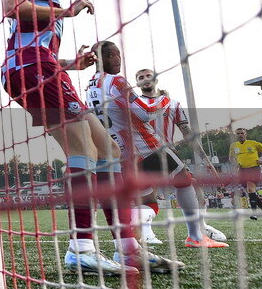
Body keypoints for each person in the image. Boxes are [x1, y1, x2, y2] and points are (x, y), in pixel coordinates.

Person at [2, 0, 174, 274]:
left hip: (45, 68)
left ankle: (128, 247)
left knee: (108, 150)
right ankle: (80, 247)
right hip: (32, 69)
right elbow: (13, 8)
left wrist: (71, 64)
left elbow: (33, 37)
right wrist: (66, 11)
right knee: (84, 150)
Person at [88, 42, 219, 256]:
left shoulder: (91, 84)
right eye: (118, 55)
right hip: (146, 146)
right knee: (185, 181)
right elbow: (145, 113)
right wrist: (164, 99)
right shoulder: (117, 81)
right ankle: (195, 236)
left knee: (148, 200)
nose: (120, 60)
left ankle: (130, 239)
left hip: (122, 154)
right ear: (112, 55)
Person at [134, 69, 227, 243]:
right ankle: (147, 232)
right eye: (140, 77)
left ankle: (201, 227)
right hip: (144, 153)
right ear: (137, 83)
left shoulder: (173, 104)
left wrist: (206, 160)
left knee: (195, 190)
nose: (145, 79)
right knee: (149, 193)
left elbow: (187, 132)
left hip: (169, 153)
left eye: (148, 76)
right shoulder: (135, 104)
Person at [229, 128, 262, 219]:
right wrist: (235, 164)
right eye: (238, 133)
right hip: (242, 170)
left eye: (242, 133)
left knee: (250, 189)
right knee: (251, 191)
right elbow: (231, 158)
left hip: (254, 169)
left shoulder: (254, 143)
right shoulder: (233, 146)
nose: (240, 135)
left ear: (245, 134)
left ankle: (254, 213)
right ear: (236, 135)